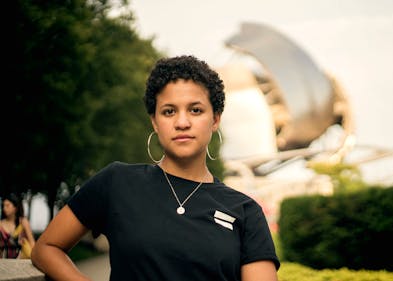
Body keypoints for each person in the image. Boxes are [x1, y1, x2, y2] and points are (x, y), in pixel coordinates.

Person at [31, 55, 280, 281]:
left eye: (195, 110)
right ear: (155, 121)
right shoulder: (116, 182)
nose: (182, 122)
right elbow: (46, 248)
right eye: (169, 111)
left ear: (215, 119)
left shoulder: (246, 212)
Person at [0, 193, 36, 259]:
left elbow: (32, 243)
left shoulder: (23, 222)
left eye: (7, 205)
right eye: (3, 206)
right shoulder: (1, 224)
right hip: (3, 262)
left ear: (15, 207)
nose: (4, 208)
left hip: (20, 262)